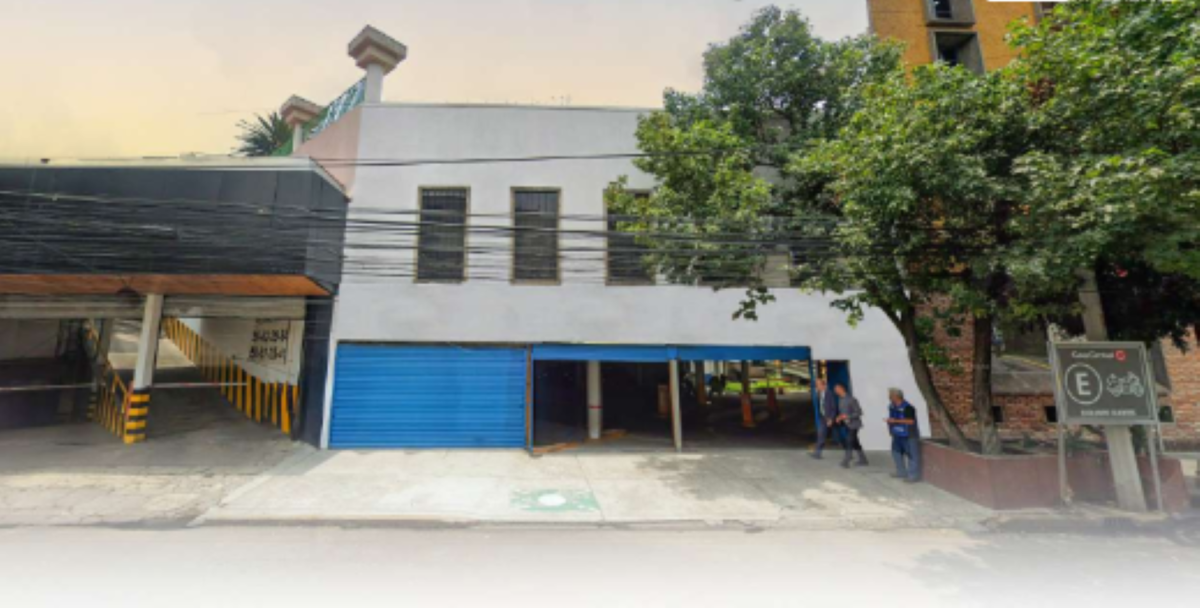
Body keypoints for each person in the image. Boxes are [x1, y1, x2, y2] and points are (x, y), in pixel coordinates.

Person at [885, 388, 921, 483]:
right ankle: (901, 471)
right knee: (896, 453)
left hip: (909, 435)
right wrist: (891, 427)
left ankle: (913, 475)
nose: (889, 397)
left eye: (890, 395)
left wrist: (895, 421)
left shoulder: (908, 407)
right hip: (897, 434)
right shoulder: (892, 407)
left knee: (911, 455)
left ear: (896, 396)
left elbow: (910, 421)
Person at [834, 384, 868, 468]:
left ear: (842, 389)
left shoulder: (851, 399)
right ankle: (863, 460)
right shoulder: (840, 399)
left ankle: (846, 461)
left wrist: (847, 416)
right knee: (855, 443)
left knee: (849, 441)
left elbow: (859, 412)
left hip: (854, 425)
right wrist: (839, 417)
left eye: (836, 389)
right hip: (847, 425)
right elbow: (842, 413)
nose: (835, 391)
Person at [809, 377, 840, 459]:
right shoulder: (819, 393)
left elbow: (834, 408)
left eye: (818, 385)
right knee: (821, 435)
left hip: (829, 418)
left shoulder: (829, 394)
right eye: (816, 385)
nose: (816, 386)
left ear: (823, 385)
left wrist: (831, 419)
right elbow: (821, 405)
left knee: (836, 433)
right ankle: (817, 453)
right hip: (823, 418)